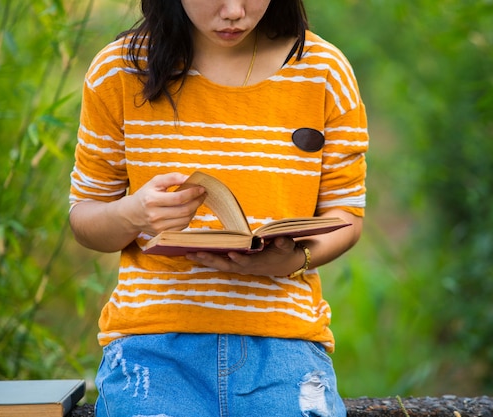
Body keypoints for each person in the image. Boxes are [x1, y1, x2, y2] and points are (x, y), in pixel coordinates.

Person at [69, 0, 369, 416]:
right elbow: (85, 216)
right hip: (153, 345)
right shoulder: (119, 70)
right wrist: (133, 214)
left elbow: (346, 215)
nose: (233, 12)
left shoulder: (323, 71)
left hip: (284, 341)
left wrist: (293, 260)